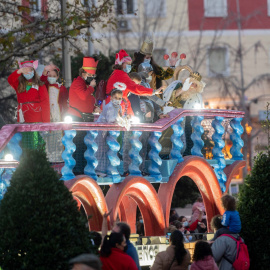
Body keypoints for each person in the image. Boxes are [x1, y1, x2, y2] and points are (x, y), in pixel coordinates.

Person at [105, 49, 164, 176]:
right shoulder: (121, 75)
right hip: (118, 110)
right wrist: (153, 92)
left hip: (123, 108)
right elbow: (136, 89)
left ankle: (131, 168)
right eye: (128, 64)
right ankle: (128, 169)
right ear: (122, 64)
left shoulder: (117, 74)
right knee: (128, 142)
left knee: (130, 140)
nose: (129, 67)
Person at [67, 56, 100, 174]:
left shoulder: (85, 85)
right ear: (83, 73)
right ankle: (77, 169)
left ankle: (83, 168)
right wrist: (91, 87)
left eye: (93, 75)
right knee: (78, 144)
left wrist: (94, 107)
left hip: (85, 118)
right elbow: (83, 95)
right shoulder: (77, 83)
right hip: (77, 118)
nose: (91, 77)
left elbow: (87, 100)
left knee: (84, 144)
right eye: (89, 75)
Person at [7, 60, 50, 150]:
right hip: (24, 119)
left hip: (37, 120)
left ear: (34, 71)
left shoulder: (40, 85)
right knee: (26, 144)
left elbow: (45, 104)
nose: (28, 72)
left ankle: (39, 162)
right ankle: (28, 162)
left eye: (30, 69)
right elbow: (10, 79)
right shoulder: (18, 85)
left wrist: (46, 122)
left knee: (37, 143)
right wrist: (19, 71)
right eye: (25, 70)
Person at [40, 64, 68, 162]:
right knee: (48, 139)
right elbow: (41, 81)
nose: (51, 78)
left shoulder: (62, 88)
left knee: (58, 137)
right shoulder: (44, 86)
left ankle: (59, 160)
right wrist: (45, 71)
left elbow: (65, 104)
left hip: (58, 115)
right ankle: (48, 159)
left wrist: (66, 115)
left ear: (57, 77)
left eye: (53, 76)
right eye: (49, 76)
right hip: (47, 115)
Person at [95, 88, 124, 176]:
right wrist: (120, 120)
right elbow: (111, 119)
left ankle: (107, 169)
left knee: (108, 148)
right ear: (111, 98)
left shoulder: (119, 106)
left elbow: (119, 117)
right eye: (116, 98)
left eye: (119, 98)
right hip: (101, 129)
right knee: (101, 149)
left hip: (109, 130)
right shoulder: (110, 106)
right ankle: (99, 171)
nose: (118, 100)